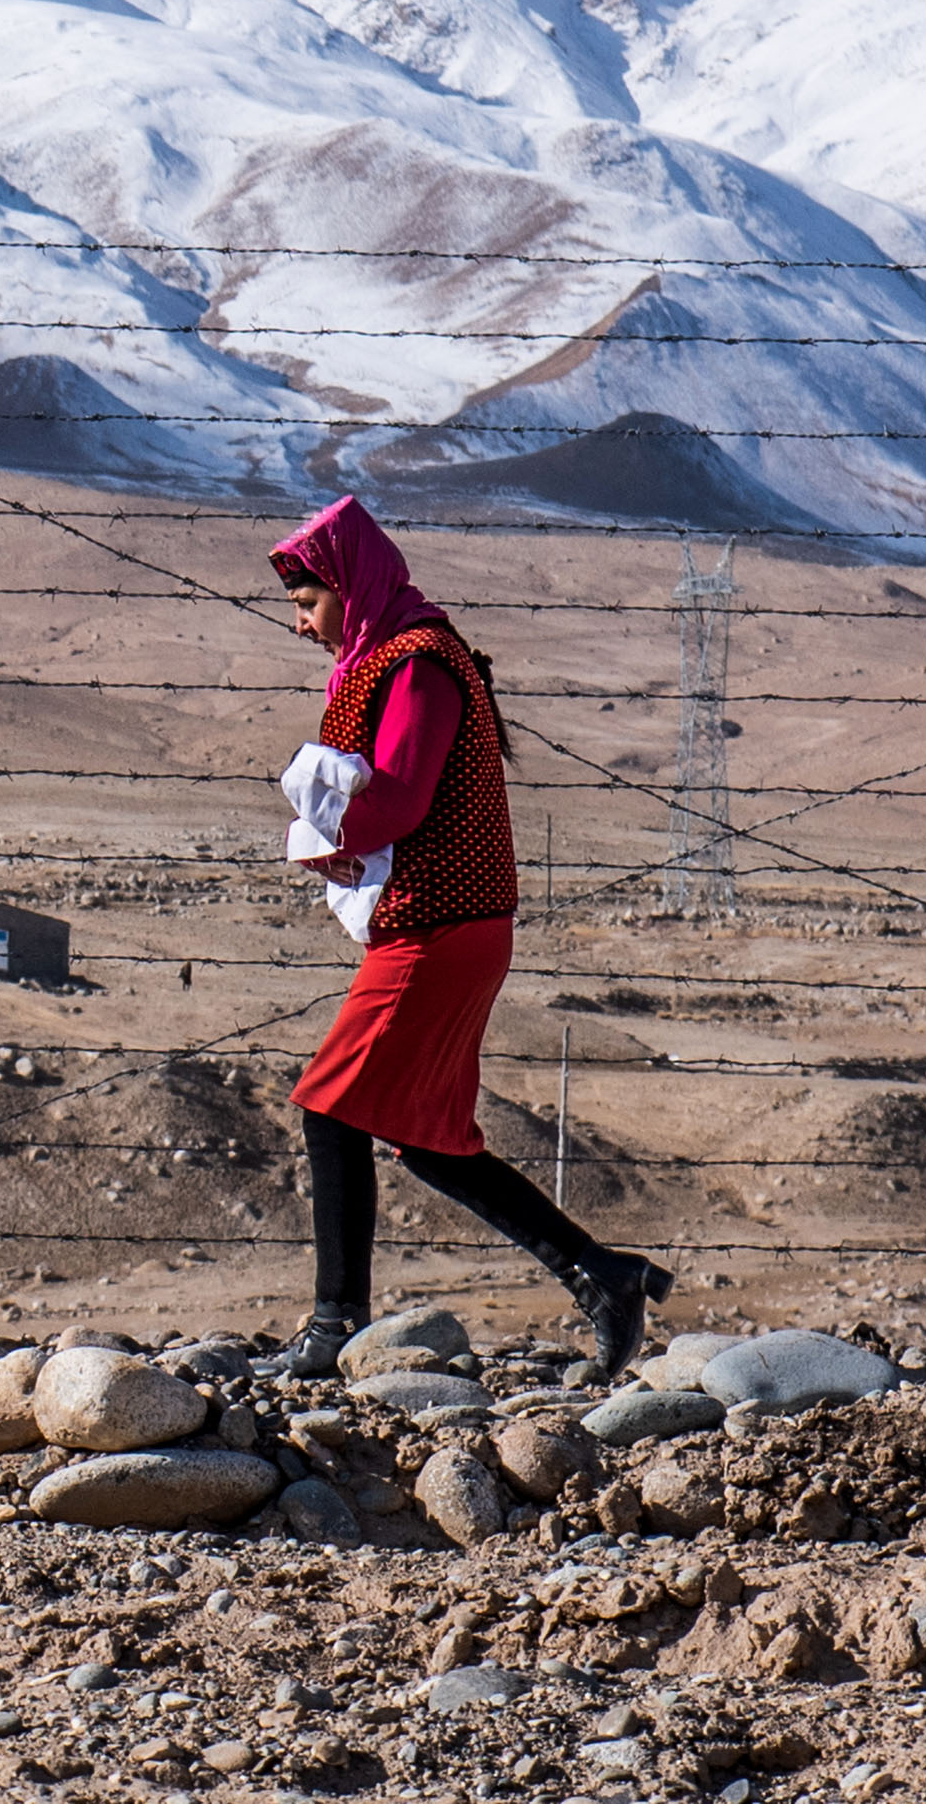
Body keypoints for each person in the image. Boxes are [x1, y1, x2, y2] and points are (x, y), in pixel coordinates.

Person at [262, 496, 670, 1380]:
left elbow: (402, 800)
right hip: (448, 919)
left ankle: (335, 1324)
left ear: (347, 585)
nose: (301, 626)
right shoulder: (390, 658)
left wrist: (325, 834)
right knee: (428, 1134)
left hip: (441, 927)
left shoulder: (416, 664)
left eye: (306, 604)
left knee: (329, 1108)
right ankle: (604, 1276)